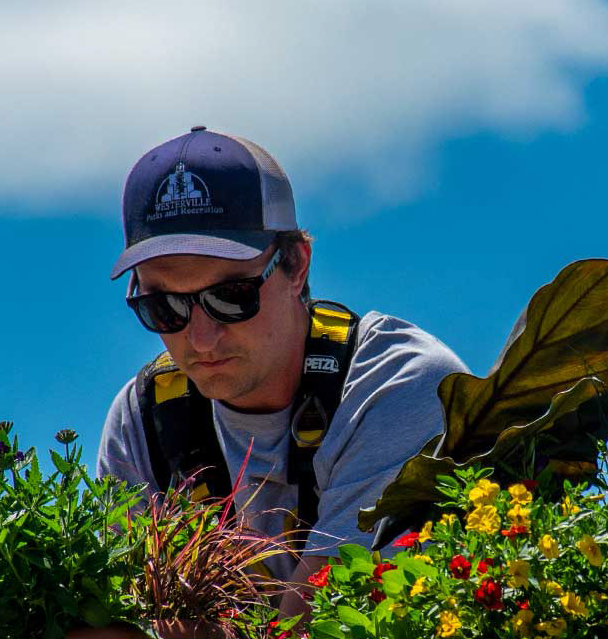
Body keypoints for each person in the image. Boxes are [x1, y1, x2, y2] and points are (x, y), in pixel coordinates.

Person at [96, 126, 467, 593]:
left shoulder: (397, 385)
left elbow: (315, 633)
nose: (202, 339)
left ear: (297, 266)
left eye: (231, 296)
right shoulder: (142, 422)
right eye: (164, 306)